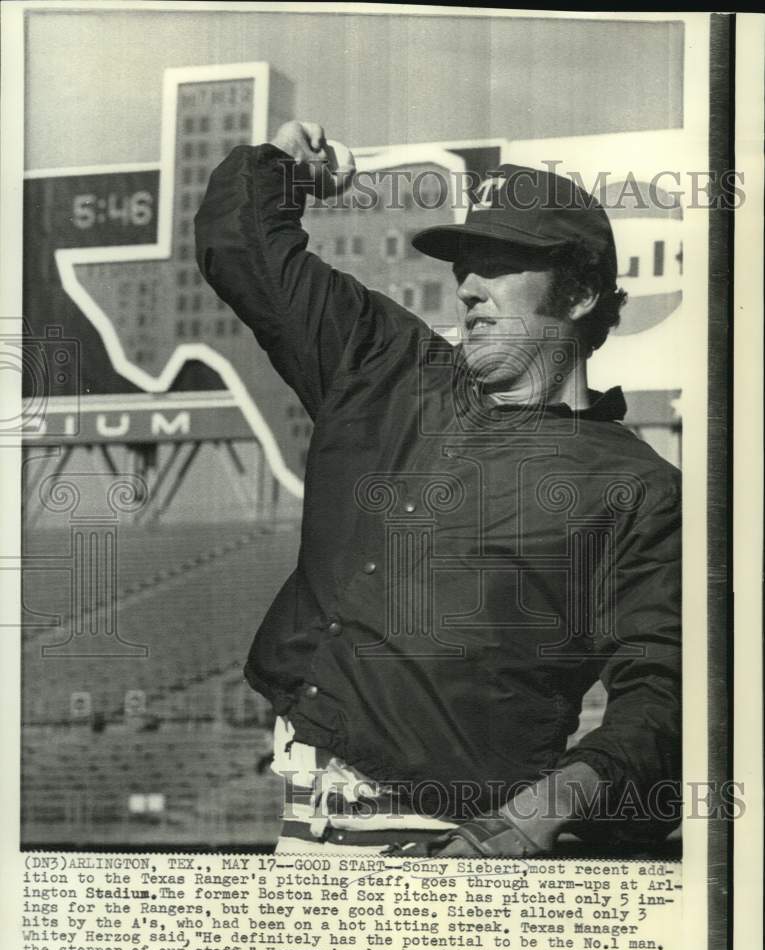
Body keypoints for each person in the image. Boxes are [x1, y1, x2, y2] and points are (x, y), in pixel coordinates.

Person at [195, 121, 681, 857]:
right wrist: (283, 171)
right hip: (305, 824)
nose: (468, 287)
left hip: (457, 838)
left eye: (499, 263)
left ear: (580, 293)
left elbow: (662, 695)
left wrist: (526, 823)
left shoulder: (639, 487)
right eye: (464, 263)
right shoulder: (389, 370)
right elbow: (242, 250)